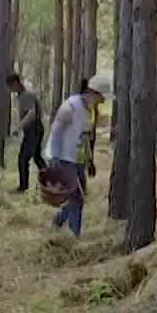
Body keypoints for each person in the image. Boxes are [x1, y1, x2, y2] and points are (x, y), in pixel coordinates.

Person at [43, 78, 105, 237]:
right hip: (62, 157)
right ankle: (72, 236)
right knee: (76, 198)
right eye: (100, 98)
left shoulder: (89, 111)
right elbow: (56, 132)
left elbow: (84, 138)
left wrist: (90, 161)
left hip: (77, 159)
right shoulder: (70, 106)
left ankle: (58, 222)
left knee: (78, 197)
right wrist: (55, 161)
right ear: (92, 93)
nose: (102, 102)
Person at [10, 73, 43, 192]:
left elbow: (31, 114)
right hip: (32, 131)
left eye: (11, 87)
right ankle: (49, 182)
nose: (11, 90)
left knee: (23, 159)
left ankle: (23, 187)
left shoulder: (27, 95)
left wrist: (19, 127)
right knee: (37, 158)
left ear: (16, 83)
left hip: (34, 130)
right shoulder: (21, 96)